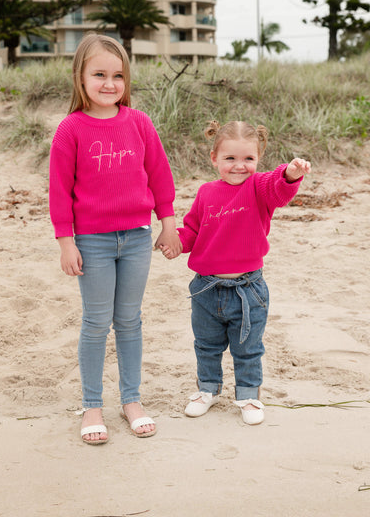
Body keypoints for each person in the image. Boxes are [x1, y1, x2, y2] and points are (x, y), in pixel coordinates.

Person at [49, 32, 181, 444]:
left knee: (129, 321)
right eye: (100, 74)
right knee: (95, 322)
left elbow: (159, 174)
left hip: (138, 238)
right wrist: (66, 241)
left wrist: (169, 222)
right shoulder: (71, 129)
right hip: (93, 241)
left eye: (118, 75)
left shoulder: (139, 122)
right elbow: (59, 191)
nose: (109, 84)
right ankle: (92, 404)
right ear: (81, 77)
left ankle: (131, 399)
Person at [161, 120, 311, 425]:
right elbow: (192, 230)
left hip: (248, 290)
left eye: (248, 159)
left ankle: (248, 395)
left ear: (258, 160)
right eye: (230, 158)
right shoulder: (206, 192)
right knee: (206, 345)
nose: (239, 166)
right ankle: (207, 390)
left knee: (248, 348)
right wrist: (176, 241)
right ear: (214, 158)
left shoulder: (259, 188)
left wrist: (291, 173)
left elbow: (278, 187)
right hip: (206, 289)